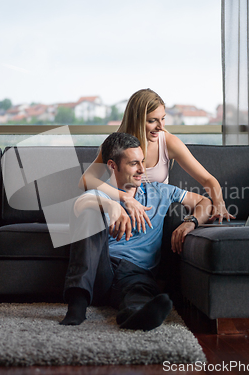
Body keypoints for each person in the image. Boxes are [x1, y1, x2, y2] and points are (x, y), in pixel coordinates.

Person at [61, 132, 212, 331]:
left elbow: (204, 201)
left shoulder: (160, 191)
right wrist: (112, 205)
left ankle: (135, 315)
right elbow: (80, 204)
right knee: (90, 211)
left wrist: (190, 222)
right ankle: (77, 305)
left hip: (134, 274)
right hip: (100, 271)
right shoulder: (102, 193)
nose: (142, 169)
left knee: (139, 294)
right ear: (113, 166)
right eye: (134, 164)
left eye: (142, 162)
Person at [80, 88, 234, 242]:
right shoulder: (118, 144)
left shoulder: (168, 142)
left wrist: (219, 204)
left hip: (154, 216)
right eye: (152, 120)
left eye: (163, 118)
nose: (160, 126)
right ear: (137, 120)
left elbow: (208, 180)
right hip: (120, 213)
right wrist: (125, 198)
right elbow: (86, 180)